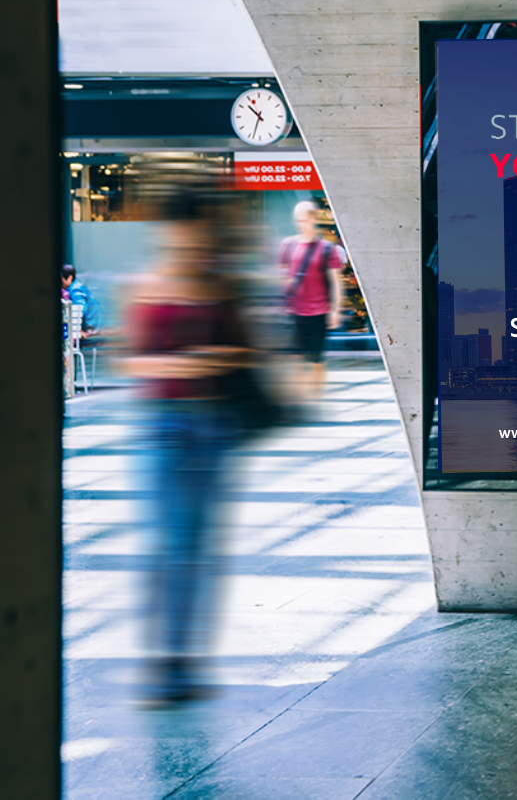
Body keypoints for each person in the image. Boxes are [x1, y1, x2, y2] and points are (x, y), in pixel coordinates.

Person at [122, 188, 251, 703]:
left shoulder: (220, 288)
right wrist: (193, 362)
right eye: (181, 233)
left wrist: (196, 360)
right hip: (164, 426)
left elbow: (246, 352)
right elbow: (131, 361)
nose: (190, 242)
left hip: (213, 427)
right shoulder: (145, 287)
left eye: (196, 233)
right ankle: (166, 660)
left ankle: (180, 658)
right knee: (169, 544)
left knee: (198, 547)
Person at [279, 200, 346, 404]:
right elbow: (281, 277)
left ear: (314, 219)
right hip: (294, 311)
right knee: (295, 357)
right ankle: (299, 398)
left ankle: (315, 397)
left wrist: (335, 310)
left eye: (305, 219)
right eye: (298, 220)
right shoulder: (288, 246)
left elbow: (336, 283)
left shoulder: (327, 249)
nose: (301, 223)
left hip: (318, 311)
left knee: (316, 359)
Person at [61, 263, 103, 335]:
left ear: (69, 278)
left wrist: (76, 330)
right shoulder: (74, 287)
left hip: (90, 328)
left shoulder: (76, 289)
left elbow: (79, 310)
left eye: (61, 280)